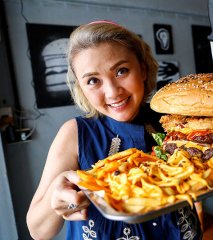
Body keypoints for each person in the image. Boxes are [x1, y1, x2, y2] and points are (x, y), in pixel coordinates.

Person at [26, 20, 202, 240]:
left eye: (121, 71)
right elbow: (38, 232)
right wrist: (59, 192)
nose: (112, 92)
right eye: (93, 80)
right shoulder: (74, 133)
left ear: (143, 69)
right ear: (82, 88)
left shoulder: (172, 120)